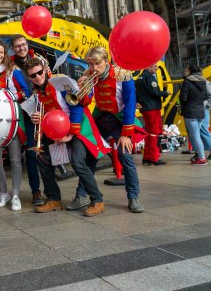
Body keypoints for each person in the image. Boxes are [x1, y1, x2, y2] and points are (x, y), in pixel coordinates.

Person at [24, 58, 107, 216]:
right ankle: (54, 199)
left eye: (40, 72)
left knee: (77, 162)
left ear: (45, 69)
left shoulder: (59, 81)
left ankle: (97, 200)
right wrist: (40, 117)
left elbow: (76, 105)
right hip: (56, 130)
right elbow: (51, 114)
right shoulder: (36, 93)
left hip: (77, 127)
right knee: (41, 158)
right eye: (33, 75)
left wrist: (70, 134)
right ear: (30, 78)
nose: (38, 77)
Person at [81, 46, 144, 212]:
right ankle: (80, 195)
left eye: (96, 63)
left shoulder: (123, 74)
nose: (93, 68)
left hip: (119, 120)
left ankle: (133, 197)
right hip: (101, 118)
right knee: (90, 156)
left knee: (126, 157)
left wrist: (126, 134)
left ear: (106, 61)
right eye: (90, 63)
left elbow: (130, 104)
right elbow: (86, 102)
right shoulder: (89, 75)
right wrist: (81, 91)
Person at [0, 39, 32, 211]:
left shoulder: (12, 71)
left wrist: (10, 96)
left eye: (1, 53)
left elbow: (27, 91)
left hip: (12, 119)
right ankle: (4, 192)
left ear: (4, 55)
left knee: (15, 159)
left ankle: (16, 194)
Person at [10, 34, 44, 206]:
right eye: (17, 46)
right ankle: (35, 191)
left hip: (44, 108)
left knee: (48, 151)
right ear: (13, 48)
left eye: (23, 44)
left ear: (27, 44)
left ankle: (52, 191)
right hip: (25, 112)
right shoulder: (9, 65)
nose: (21, 48)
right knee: (31, 152)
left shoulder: (39, 59)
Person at [135, 63, 171, 166]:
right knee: (156, 133)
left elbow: (137, 93)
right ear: (148, 66)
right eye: (155, 66)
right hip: (153, 108)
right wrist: (166, 93)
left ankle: (147, 157)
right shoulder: (149, 78)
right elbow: (155, 92)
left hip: (145, 108)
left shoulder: (139, 78)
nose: (156, 68)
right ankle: (154, 157)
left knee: (149, 133)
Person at [180, 65, 209, 165]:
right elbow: (205, 96)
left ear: (190, 71)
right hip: (201, 111)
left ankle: (201, 158)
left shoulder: (187, 81)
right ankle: (198, 155)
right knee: (195, 135)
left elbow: (183, 98)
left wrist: (185, 104)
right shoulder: (203, 81)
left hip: (190, 112)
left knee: (195, 136)